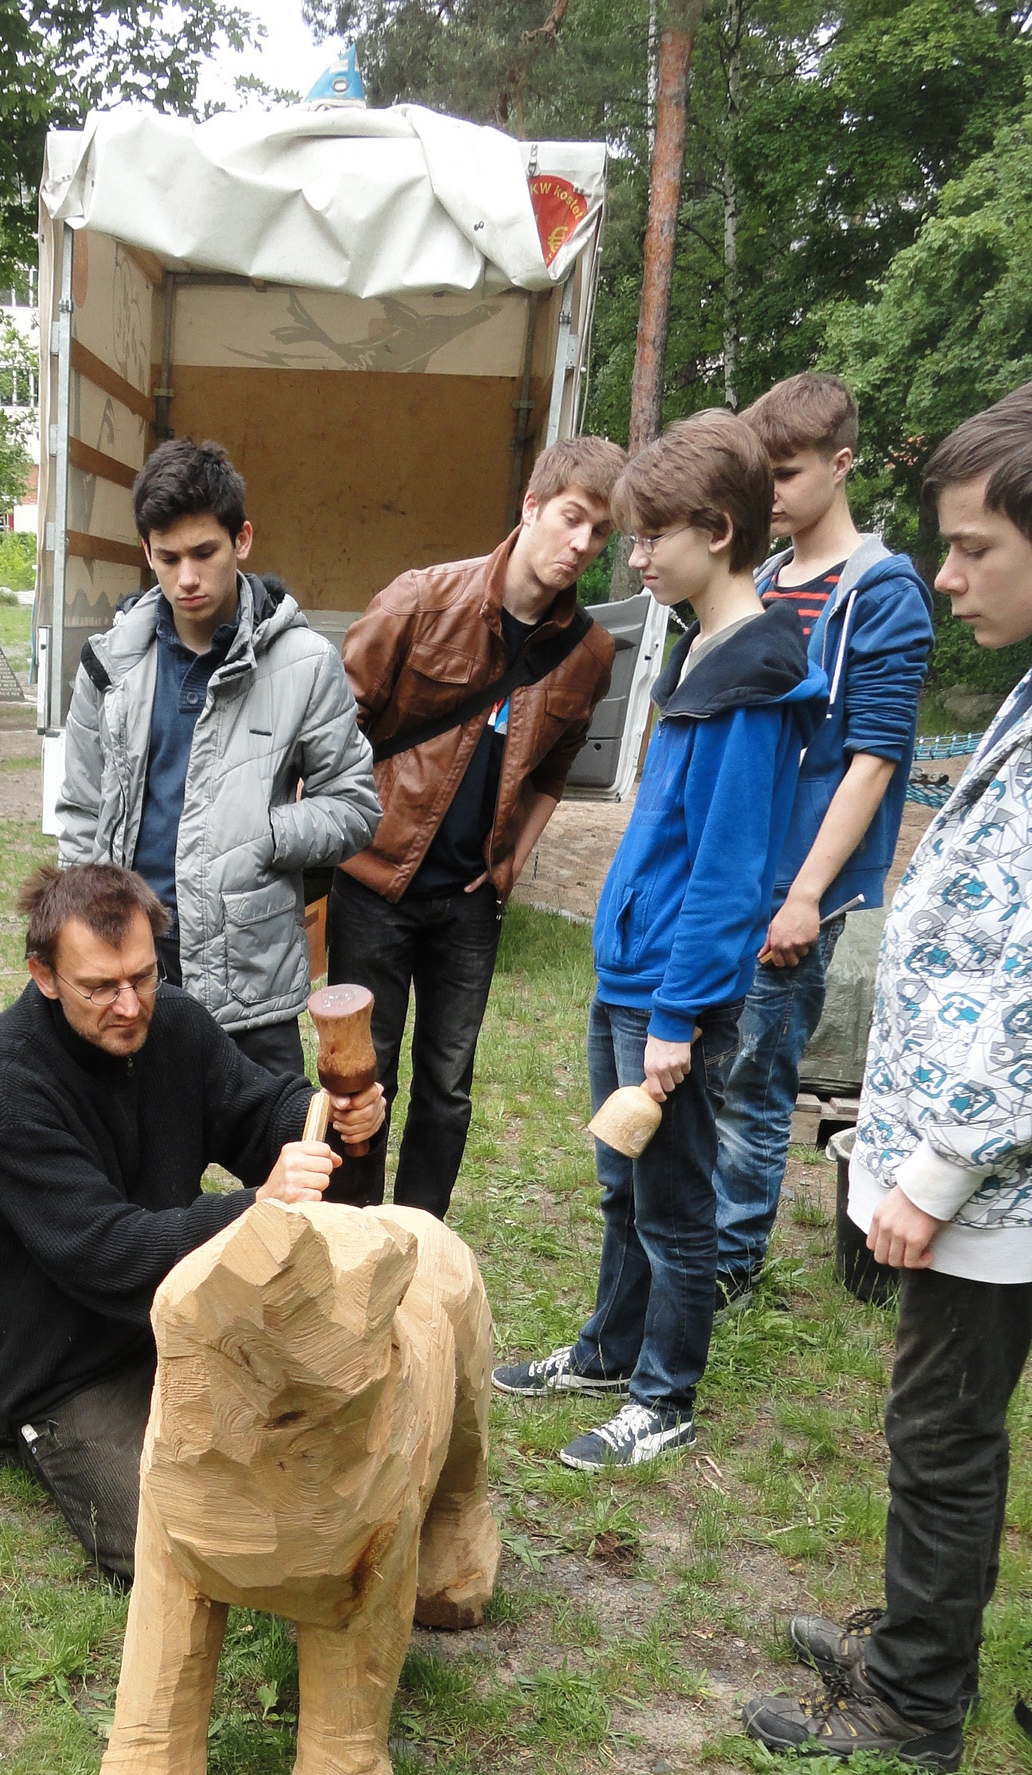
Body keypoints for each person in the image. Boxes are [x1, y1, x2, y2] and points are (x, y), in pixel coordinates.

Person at [747, 353, 1032, 1775]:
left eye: (974, 548)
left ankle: (913, 1709)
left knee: (943, 1432)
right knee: (936, 1418)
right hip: (968, 1156)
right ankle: (913, 1645)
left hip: (993, 1169)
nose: (947, 576)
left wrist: (942, 1165)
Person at [493, 411, 827, 1469]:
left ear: (717, 533)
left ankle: (663, 1397)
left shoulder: (756, 679)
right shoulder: (701, 648)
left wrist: (679, 1019)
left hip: (670, 1000)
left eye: (648, 538)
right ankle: (607, 1352)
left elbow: (728, 877)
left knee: (675, 1207)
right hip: (629, 978)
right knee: (621, 1186)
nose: (632, 558)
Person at [0, 862, 384, 1581]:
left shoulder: (171, 1021)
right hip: (69, 1362)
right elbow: (102, 1251)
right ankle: (16, 1414)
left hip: (184, 1318)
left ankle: (27, 1414)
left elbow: (259, 1112)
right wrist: (256, 1208)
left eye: (143, 976)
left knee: (308, 1463)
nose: (130, 1006)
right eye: (100, 987)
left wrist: (336, 1119)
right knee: (192, 1548)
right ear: (44, 975)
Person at [331, 435, 624, 1215]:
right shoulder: (421, 600)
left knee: (448, 1085)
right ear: (531, 506)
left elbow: (554, 770)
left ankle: (418, 1239)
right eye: (571, 518)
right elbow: (331, 729)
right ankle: (351, 1236)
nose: (582, 543)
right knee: (362, 1078)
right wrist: (328, 840)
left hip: (468, 903)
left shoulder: (590, 653)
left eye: (600, 532)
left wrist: (511, 863)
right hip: (373, 886)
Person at [52, 438, 379, 1076]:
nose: (187, 578)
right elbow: (81, 809)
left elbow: (354, 807)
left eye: (205, 553)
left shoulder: (307, 664)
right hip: (128, 968)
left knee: (274, 1138)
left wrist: (263, 833)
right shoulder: (108, 664)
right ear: (146, 552)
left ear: (242, 540)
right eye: (168, 558)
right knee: (130, 1140)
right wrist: (78, 927)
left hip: (247, 977)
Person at [711, 373, 933, 1304]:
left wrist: (807, 896)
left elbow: (876, 760)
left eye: (786, 474)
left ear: (842, 465)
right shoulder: (763, 582)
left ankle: (730, 1266)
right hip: (737, 871)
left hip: (803, 884)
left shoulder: (884, 593)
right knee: (714, 1060)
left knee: (758, 1077)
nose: (768, 494)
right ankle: (696, 1240)